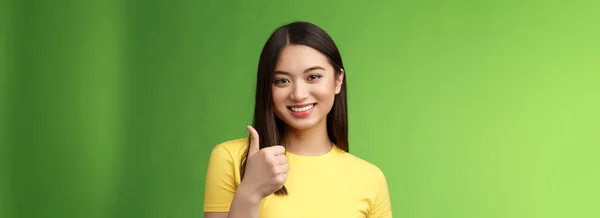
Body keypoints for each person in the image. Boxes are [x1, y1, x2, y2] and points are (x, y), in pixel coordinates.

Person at [203, 21, 392, 218]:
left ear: (338, 80)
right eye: (282, 81)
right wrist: (250, 192)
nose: (299, 94)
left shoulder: (370, 179)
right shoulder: (232, 158)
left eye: (313, 77)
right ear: (268, 87)